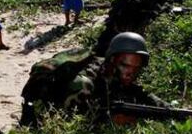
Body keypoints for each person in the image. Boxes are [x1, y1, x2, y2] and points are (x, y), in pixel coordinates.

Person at [20, 32, 168, 127]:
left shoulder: (113, 71)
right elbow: (75, 125)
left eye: (136, 69)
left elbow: (138, 92)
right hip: (41, 118)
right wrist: (109, 121)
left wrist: (171, 110)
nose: (130, 73)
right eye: (125, 65)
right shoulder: (83, 83)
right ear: (112, 60)